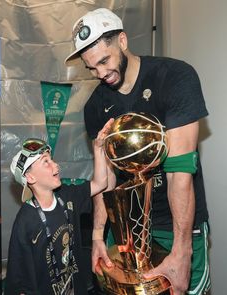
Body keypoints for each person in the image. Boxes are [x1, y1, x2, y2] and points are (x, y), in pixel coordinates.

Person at [65, 8, 211, 295]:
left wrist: (181, 252)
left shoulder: (175, 77)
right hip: (126, 231)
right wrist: (97, 235)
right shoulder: (95, 107)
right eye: (91, 68)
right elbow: (104, 180)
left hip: (176, 226)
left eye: (104, 61)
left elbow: (179, 174)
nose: (101, 73)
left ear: (122, 40)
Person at [5, 119, 116, 295]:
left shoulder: (67, 196)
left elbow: (101, 183)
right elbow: (18, 278)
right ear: (31, 178)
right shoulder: (26, 220)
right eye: (45, 162)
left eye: (52, 159)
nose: (55, 165)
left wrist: (98, 147)